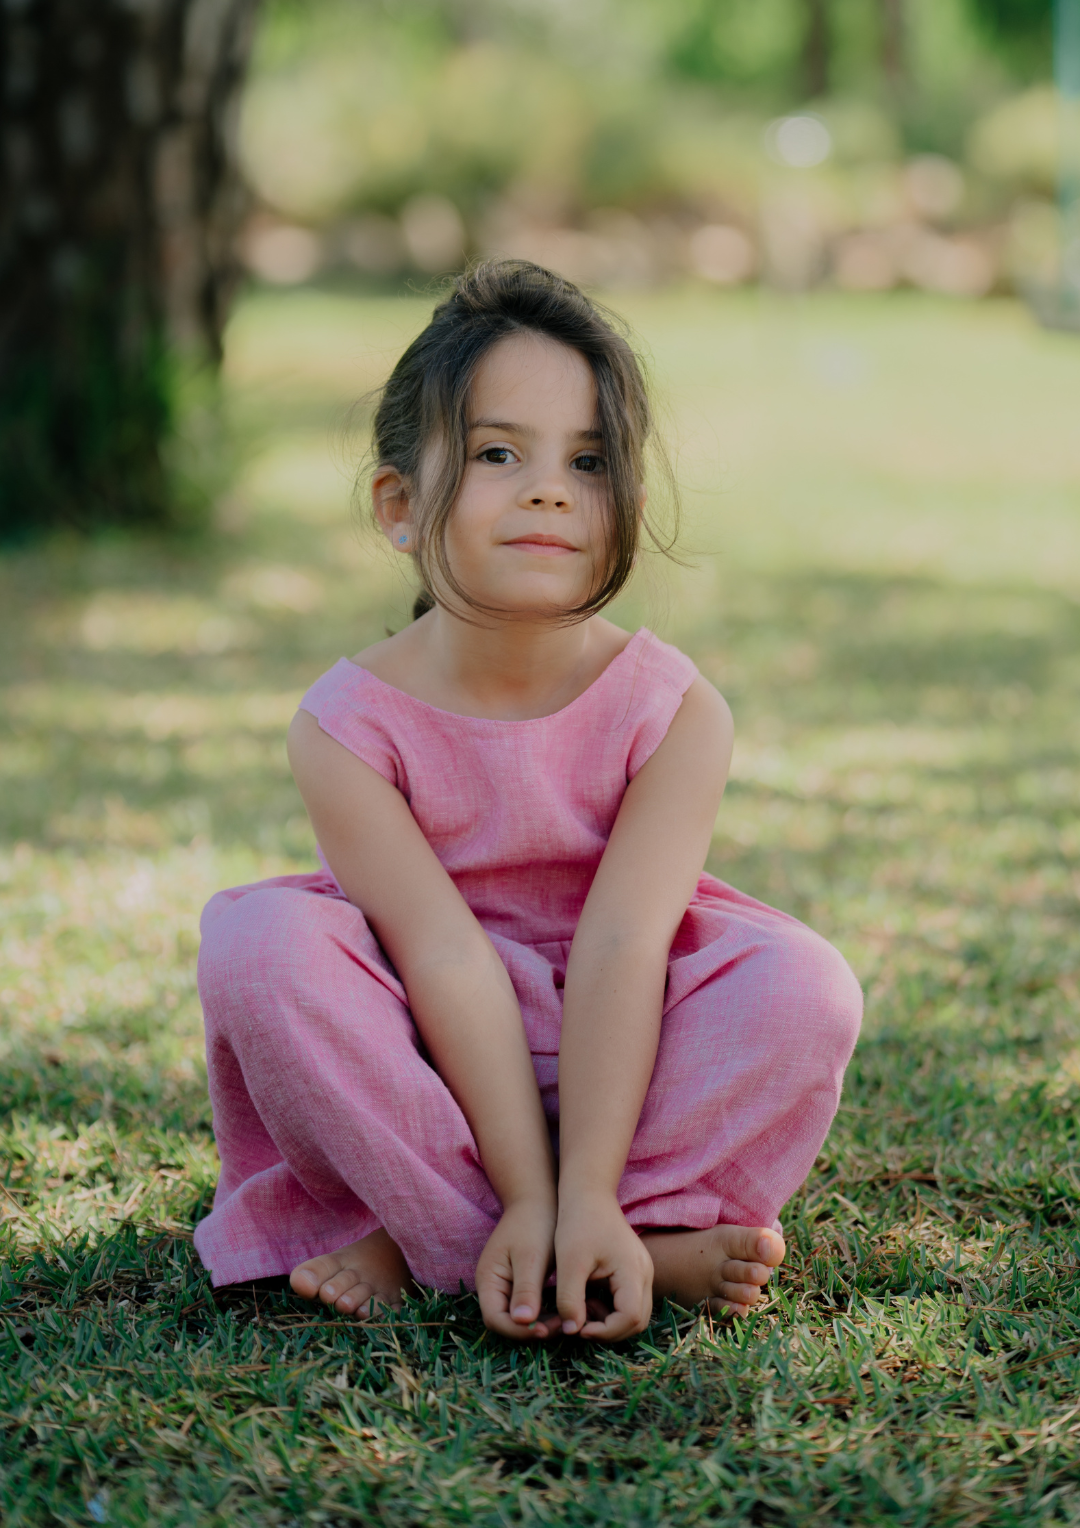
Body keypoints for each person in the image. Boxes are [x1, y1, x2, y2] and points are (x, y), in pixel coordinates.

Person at [194, 260, 862, 1342]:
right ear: (400, 506)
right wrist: (534, 1192)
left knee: (803, 986)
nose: (550, 488)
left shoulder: (676, 710)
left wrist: (586, 1187)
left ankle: (595, 1224)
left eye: (588, 461)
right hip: (423, 1045)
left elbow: (622, 945)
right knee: (262, 950)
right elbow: (442, 954)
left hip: (627, 1038)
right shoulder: (345, 725)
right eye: (501, 453)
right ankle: (488, 1238)